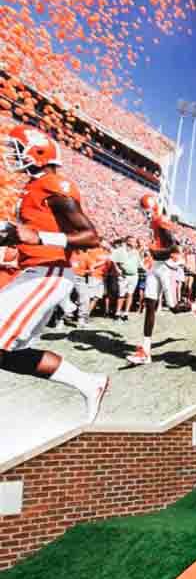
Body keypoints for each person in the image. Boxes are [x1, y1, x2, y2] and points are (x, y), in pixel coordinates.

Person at [0, 124, 108, 423]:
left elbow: (90, 237)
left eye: (18, 149)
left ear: (37, 151)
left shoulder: (53, 184)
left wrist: (38, 237)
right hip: (32, 272)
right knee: (8, 355)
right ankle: (89, 383)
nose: (13, 155)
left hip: (48, 273)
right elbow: (28, 235)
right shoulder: (32, 187)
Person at [127, 195, 196, 366]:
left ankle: (193, 306)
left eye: (145, 211)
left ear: (152, 208)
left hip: (166, 268)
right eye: (143, 211)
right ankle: (145, 351)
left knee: (174, 308)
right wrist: (153, 253)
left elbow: (174, 247)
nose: (144, 214)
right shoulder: (153, 221)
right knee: (150, 305)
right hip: (155, 267)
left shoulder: (160, 220)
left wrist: (154, 251)